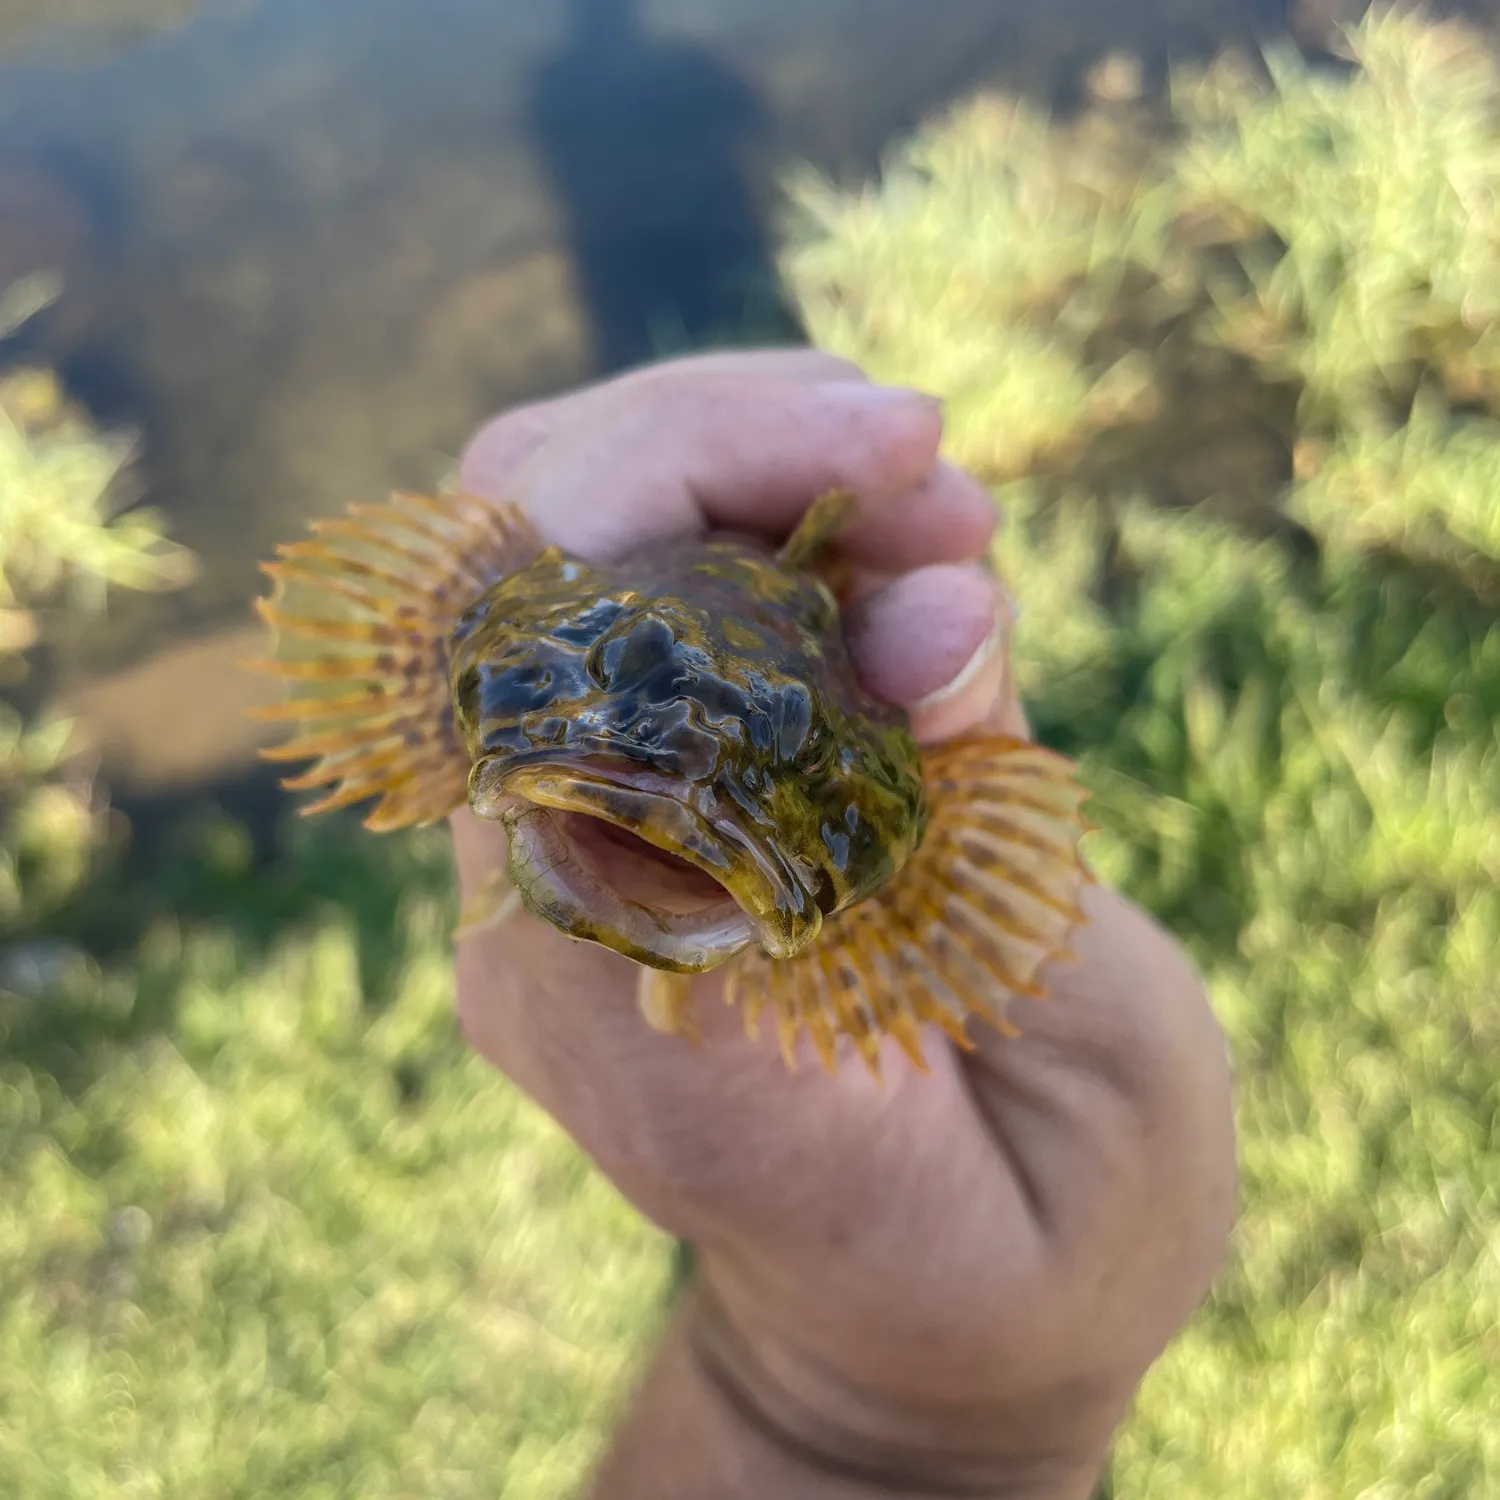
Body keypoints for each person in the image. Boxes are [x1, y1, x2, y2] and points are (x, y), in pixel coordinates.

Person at [448, 348, 1238, 1500]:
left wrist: (872, 1402)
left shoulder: (905, 854)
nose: (665, 811)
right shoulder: (508, 629)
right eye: (609, 683)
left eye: (794, 775)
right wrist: (909, 1410)